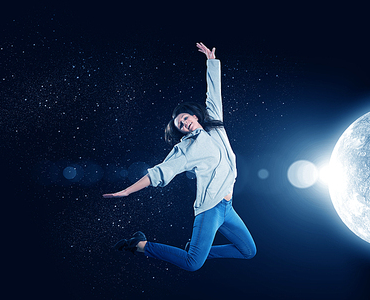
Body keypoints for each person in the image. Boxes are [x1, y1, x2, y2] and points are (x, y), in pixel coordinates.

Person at [103, 42, 256, 272]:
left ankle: (196, 250)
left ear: (194, 115)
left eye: (185, 118)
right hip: (210, 210)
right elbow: (159, 173)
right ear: (183, 131)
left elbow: (214, 93)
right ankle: (140, 244)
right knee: (192, 263)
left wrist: (211, 62)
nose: (185, 123)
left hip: (228, 207)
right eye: (181, 125)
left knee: (248, 251)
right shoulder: (186, 149)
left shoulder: (215, 124)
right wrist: (126, 191)